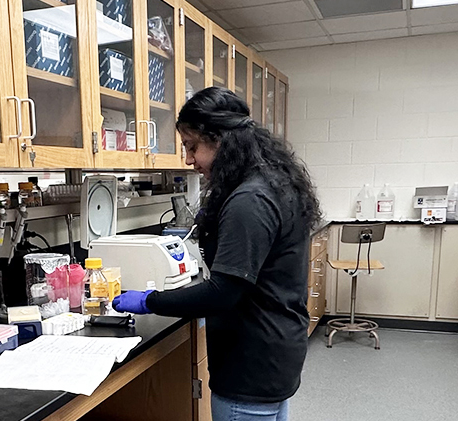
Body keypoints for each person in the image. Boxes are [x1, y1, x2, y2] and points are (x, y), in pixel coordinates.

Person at [113, 87, 322, 421]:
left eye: (192, 146)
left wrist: (150, 301)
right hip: (274, 350)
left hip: (249, 366)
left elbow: (223, 293)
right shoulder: (274, 182)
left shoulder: (249, 200)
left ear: (222, 141)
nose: (188, 159)